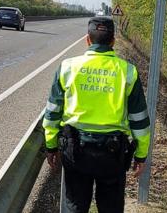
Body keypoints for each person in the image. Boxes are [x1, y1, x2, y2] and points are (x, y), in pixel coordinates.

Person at [42, 17, 151, 213]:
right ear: (113, 42)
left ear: (87, 40)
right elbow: (139, 121)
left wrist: (51, 146)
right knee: (111, 208)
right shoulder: (128, 72)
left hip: (75, 151)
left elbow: (52, 114)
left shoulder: (67, 67)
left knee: (74, 206)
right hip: (113, 154)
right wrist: (141, 156)